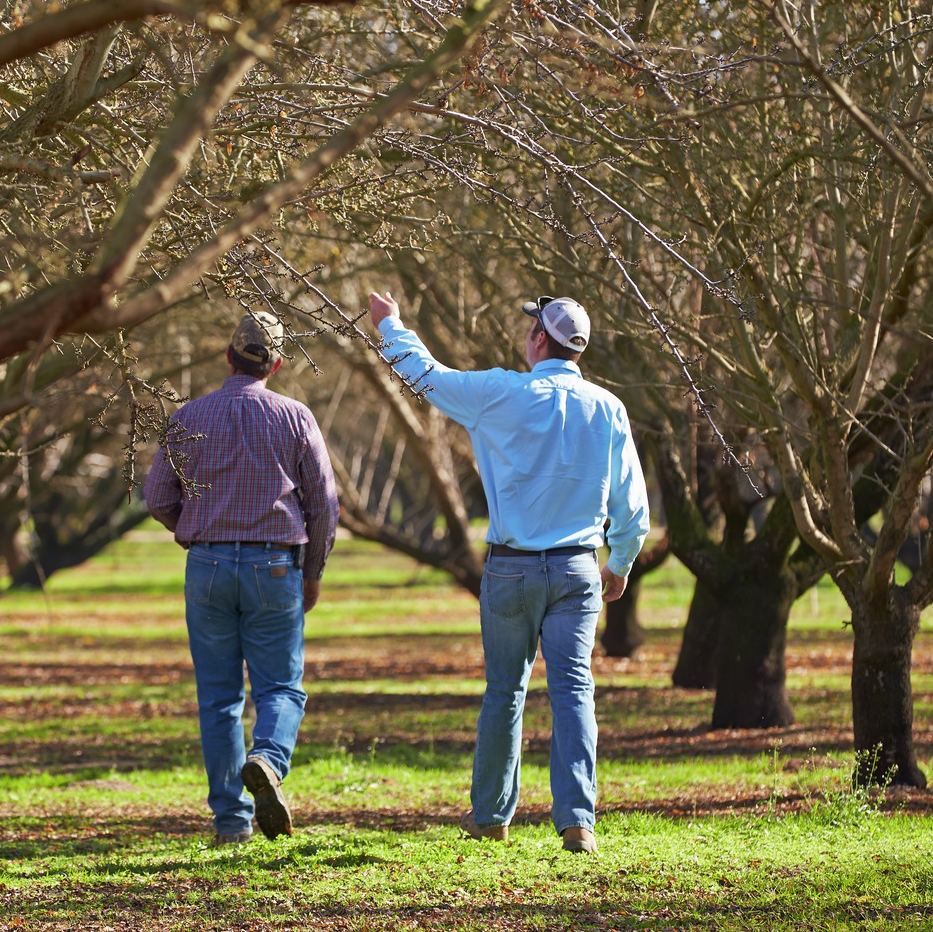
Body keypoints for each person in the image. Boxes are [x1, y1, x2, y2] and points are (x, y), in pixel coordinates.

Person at [362, 290, 649, 853]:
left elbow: (426, 377)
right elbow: (632, 500)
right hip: (576, 569)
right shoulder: (607, 407)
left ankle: (492, 817)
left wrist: (390, 325)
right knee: (574, 691)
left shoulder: (499, 393)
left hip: (511, 571)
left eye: (530, 329)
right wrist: (621, 561)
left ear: (539, 338)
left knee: (504, 693)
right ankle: (578, 822)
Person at [144, 311, 339, 845]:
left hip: (206, 566)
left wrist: (197, 530)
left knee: (218, 698)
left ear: (228, 357)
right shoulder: (296, 417)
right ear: (276, 363)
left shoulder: (187, 417)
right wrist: (314, 571)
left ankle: (230, 822)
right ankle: (269, 760)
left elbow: (157, 496)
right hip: (275, 566)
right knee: (280, 686)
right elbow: (323, 503)